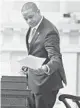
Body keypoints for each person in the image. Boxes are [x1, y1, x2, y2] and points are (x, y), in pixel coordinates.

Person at [21, 2, 67, 108]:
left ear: (38, 12)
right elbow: (36, 52)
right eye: (25, 19)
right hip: (34, 82)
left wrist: (45, 68)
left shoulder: (49, 31)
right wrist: (27, 66)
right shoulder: (33, 27)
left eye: (31, 17)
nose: (28, 21)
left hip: (46, 83)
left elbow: (56, 58)